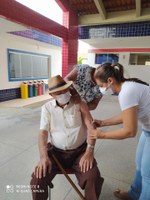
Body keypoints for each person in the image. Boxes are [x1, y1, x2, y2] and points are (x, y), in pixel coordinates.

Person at [30, 75, 104, 200]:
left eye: (65, 90)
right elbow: (43, 133)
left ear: (69, 89)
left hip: (80, 152)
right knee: (37, 180)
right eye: (58, 92)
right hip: (55, 153)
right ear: (52, 95)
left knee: (93, 177)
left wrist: (89, 151)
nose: (63, 94)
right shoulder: (47, 108)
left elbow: (91, 127)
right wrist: (43, 157)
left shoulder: (79, 104)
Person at [89, 62, 150, 200]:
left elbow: (129, 131)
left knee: (148, 175)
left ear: (110, 81)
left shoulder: (126, 92)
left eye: (101, 86)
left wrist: (102, 135)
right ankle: (133, 195)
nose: (101, 90)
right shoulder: (127, 87)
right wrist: (103, 123)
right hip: (148, 130)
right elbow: (128, 115)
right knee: (140, 166)